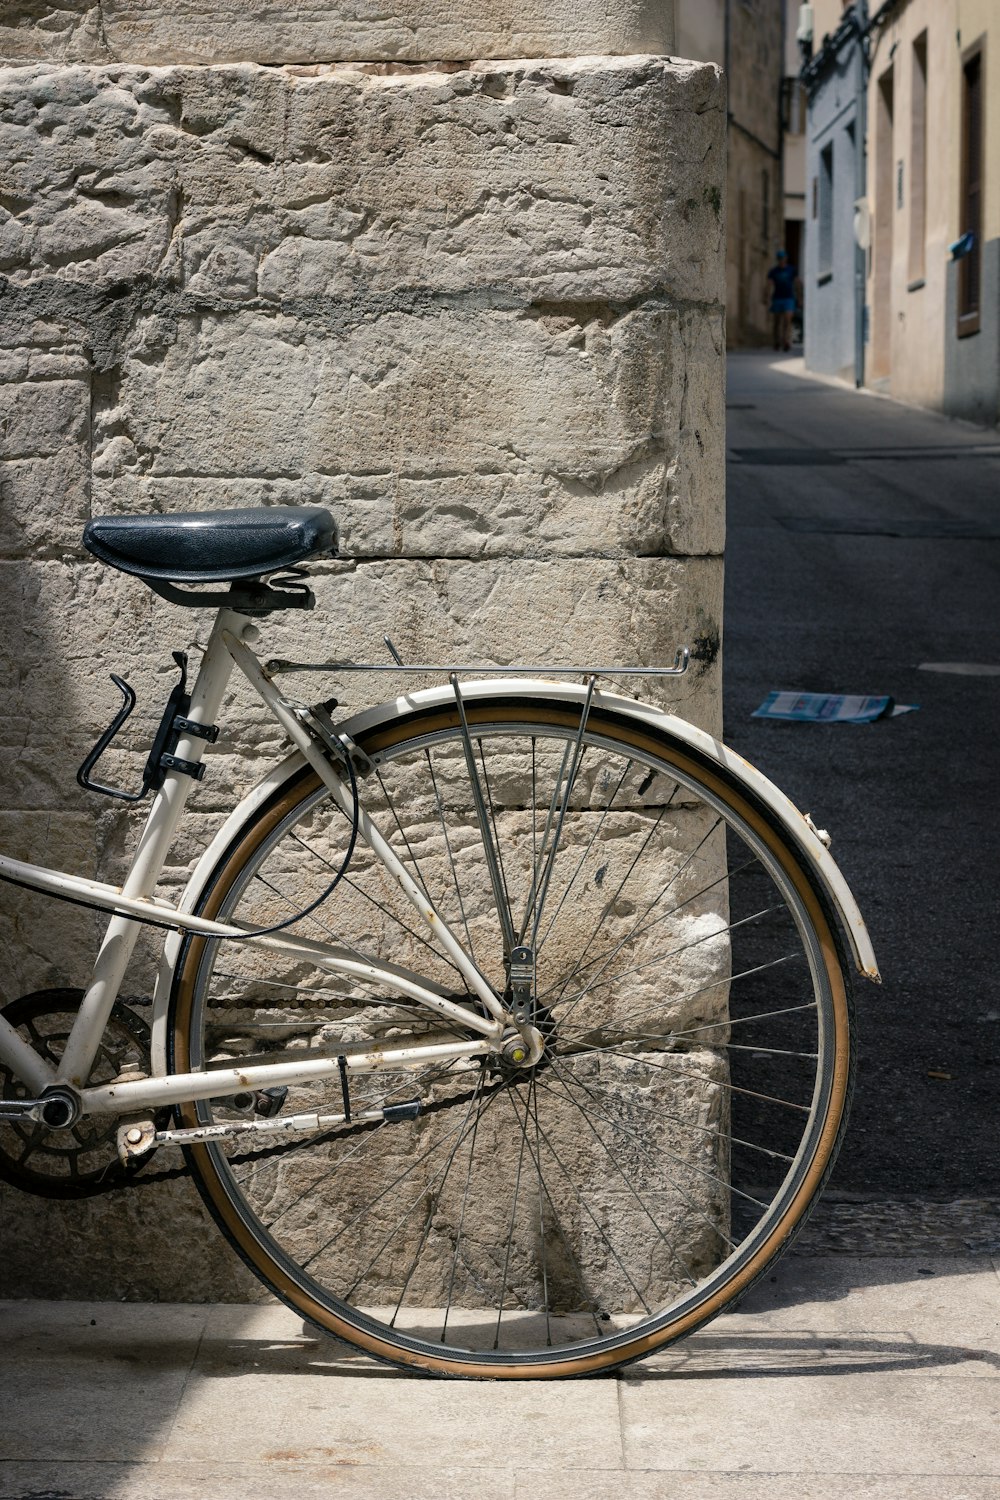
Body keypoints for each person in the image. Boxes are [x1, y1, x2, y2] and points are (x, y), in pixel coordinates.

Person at [766, 249, 799, 352]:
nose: (781, 260)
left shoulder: (791, 270)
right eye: (780, 258)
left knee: (787, 320)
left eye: (783, 258)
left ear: (786, 259)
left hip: (789, 298)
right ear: (778, 259)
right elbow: (769, 285)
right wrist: (766, 296)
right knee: (777, 322)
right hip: (777, 298)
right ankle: (776, 341)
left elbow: (797, 283)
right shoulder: (773, 271)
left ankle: (786, 341)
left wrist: (800, 297)